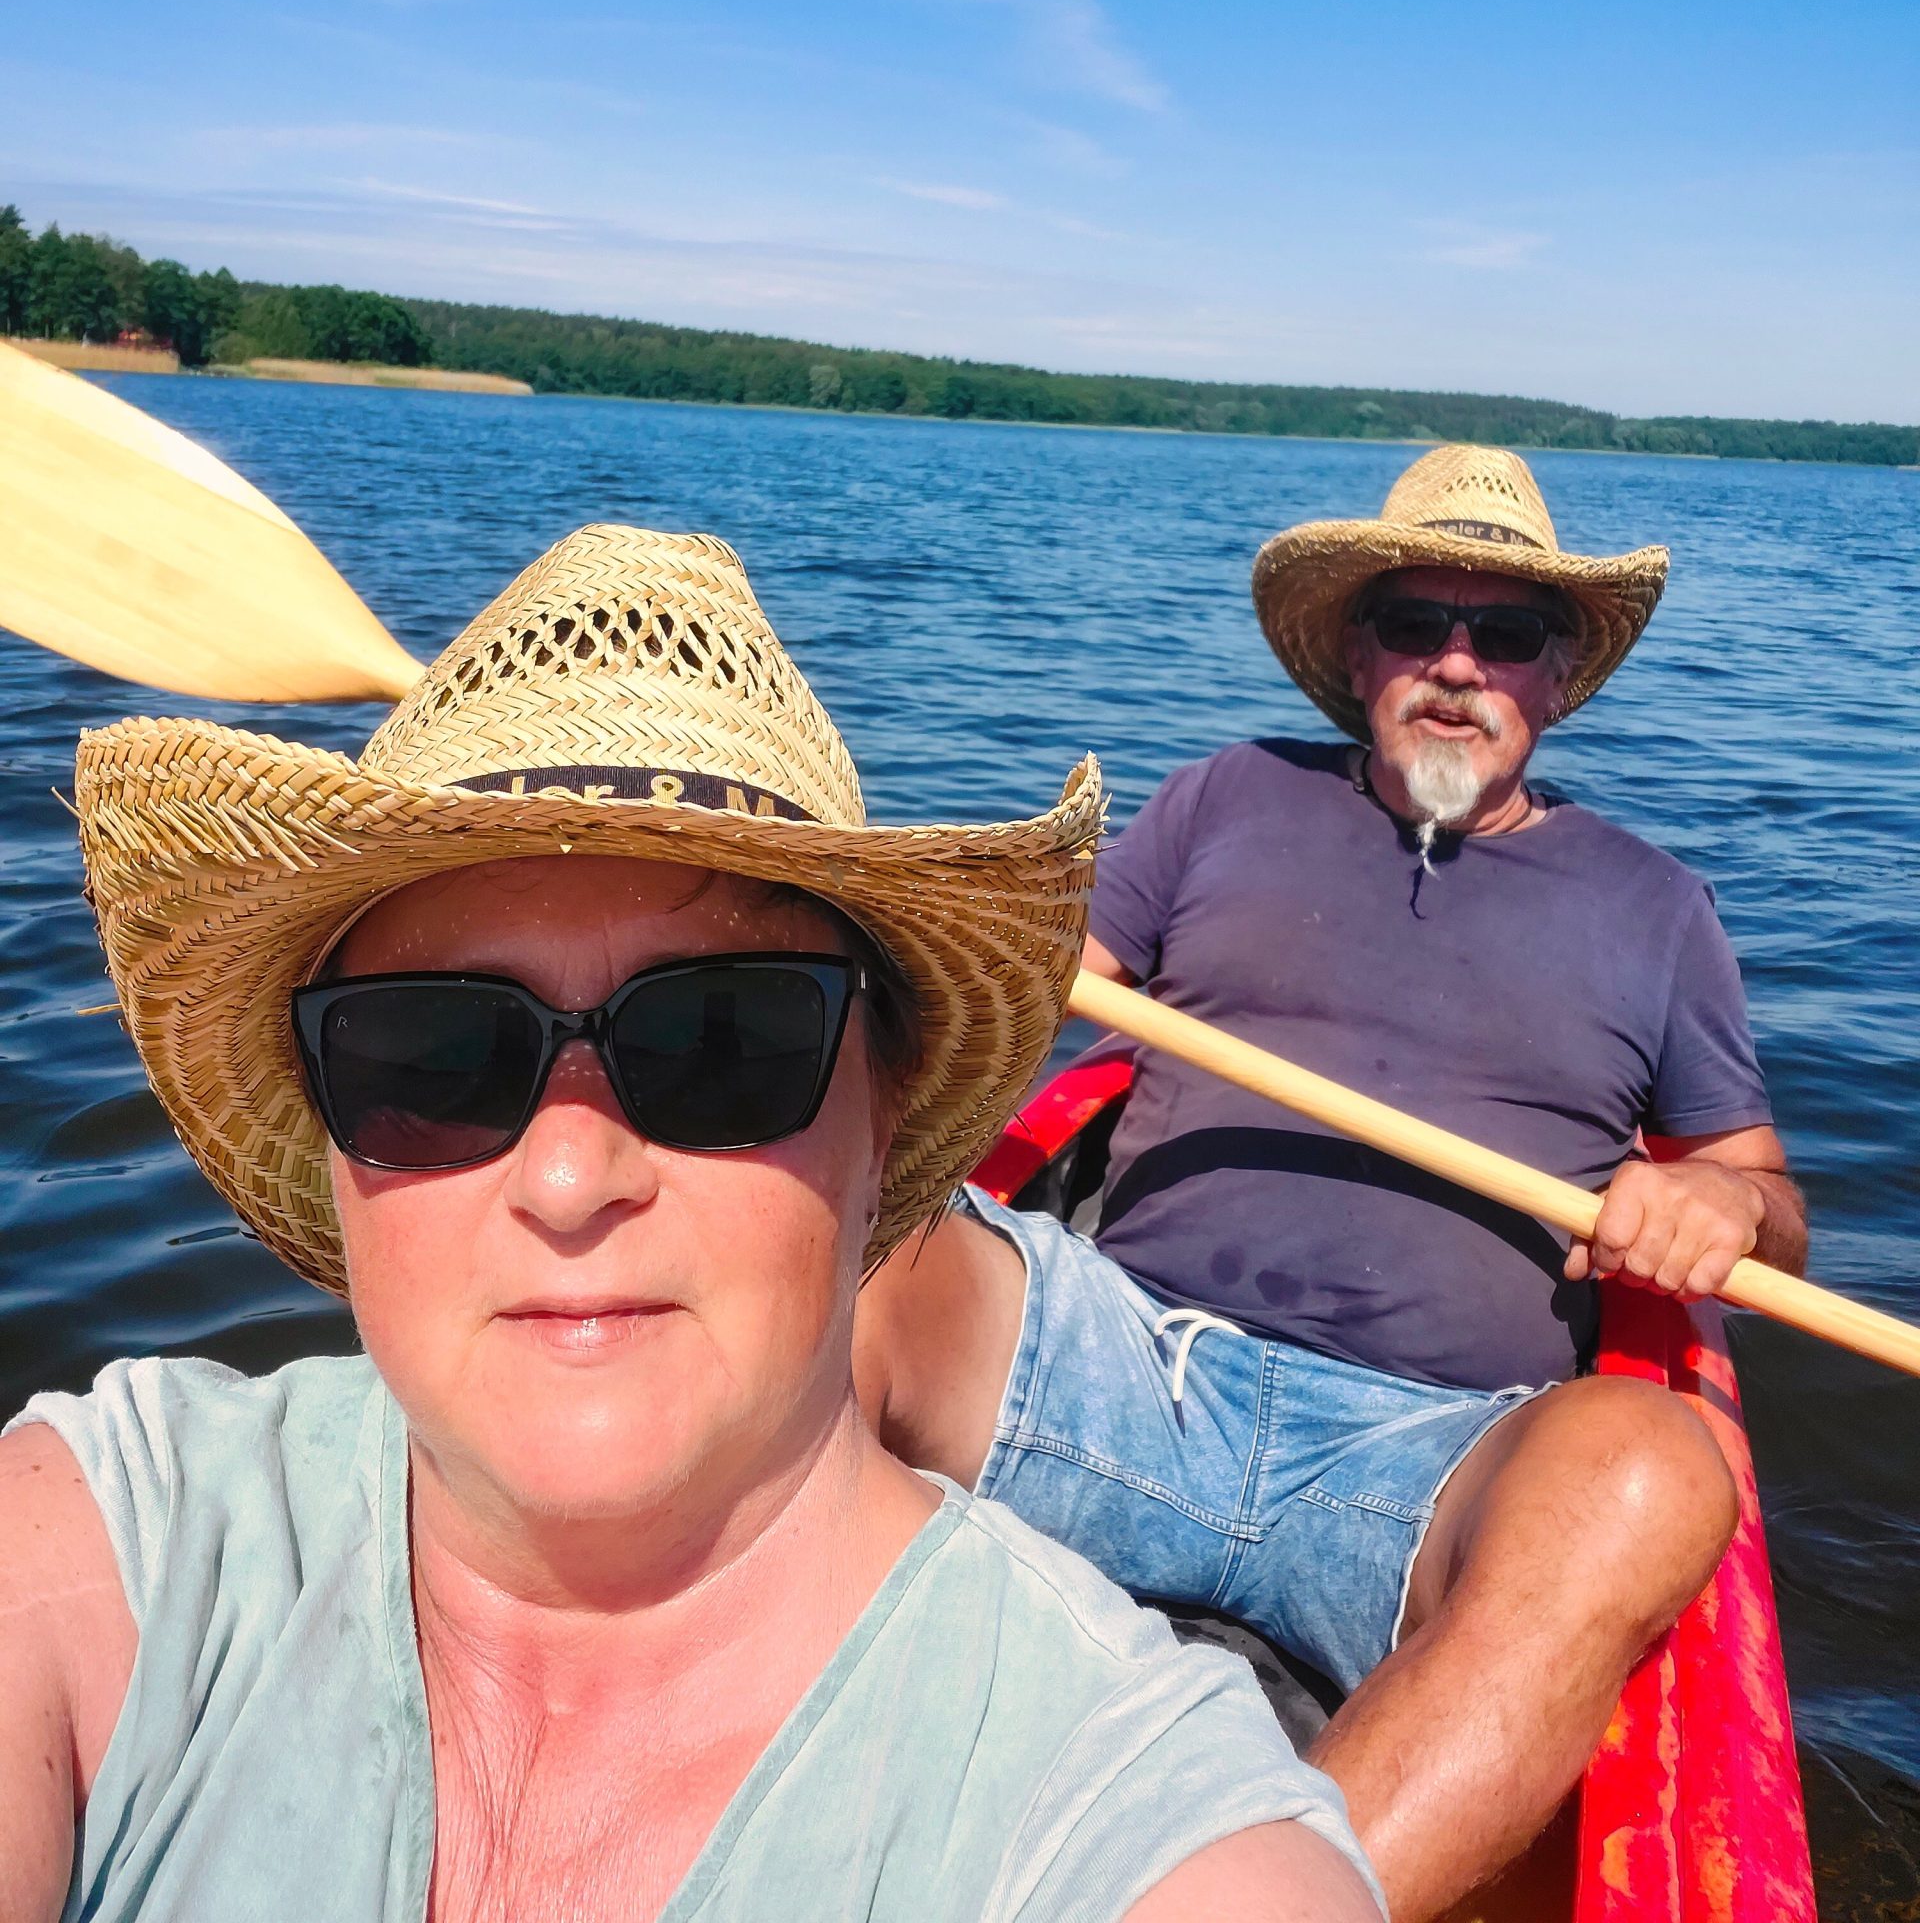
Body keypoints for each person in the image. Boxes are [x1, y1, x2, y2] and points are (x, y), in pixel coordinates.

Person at [0, 525, 1379, 1923]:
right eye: (432, 1054)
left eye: (720, 1041)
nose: (568, 1174)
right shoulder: (119, 1546)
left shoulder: (1118, 1812)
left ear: (883, 1114)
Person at [858, 445, 1808, 1923]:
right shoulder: (1221, 800)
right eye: (1418, 622)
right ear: (1356, 652)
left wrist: (1729, 1211)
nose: (1457, 665)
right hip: (1125, 1360)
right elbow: (1042, 998)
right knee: (841, 1245)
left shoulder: (1657, 907)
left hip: (1429, 1460)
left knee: (1659, 1467)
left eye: (1507, 635)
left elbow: (1763, 1192)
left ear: (1557, 676)